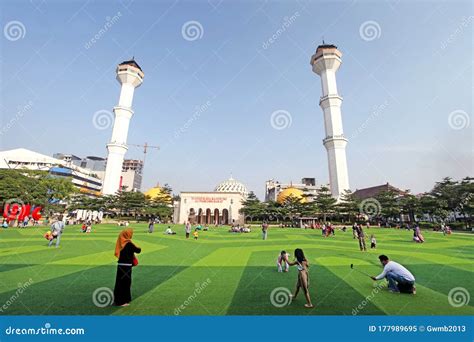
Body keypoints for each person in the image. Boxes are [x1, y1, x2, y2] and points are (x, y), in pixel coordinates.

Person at [113, 228, 141, 306]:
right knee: (125, 283)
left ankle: (118, 300)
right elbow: (138, 250)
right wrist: (137, 246)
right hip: (127, 267)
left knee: (119, 283)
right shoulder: (128, 244)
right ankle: (122, 301)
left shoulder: (120, 242)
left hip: (120, 265)